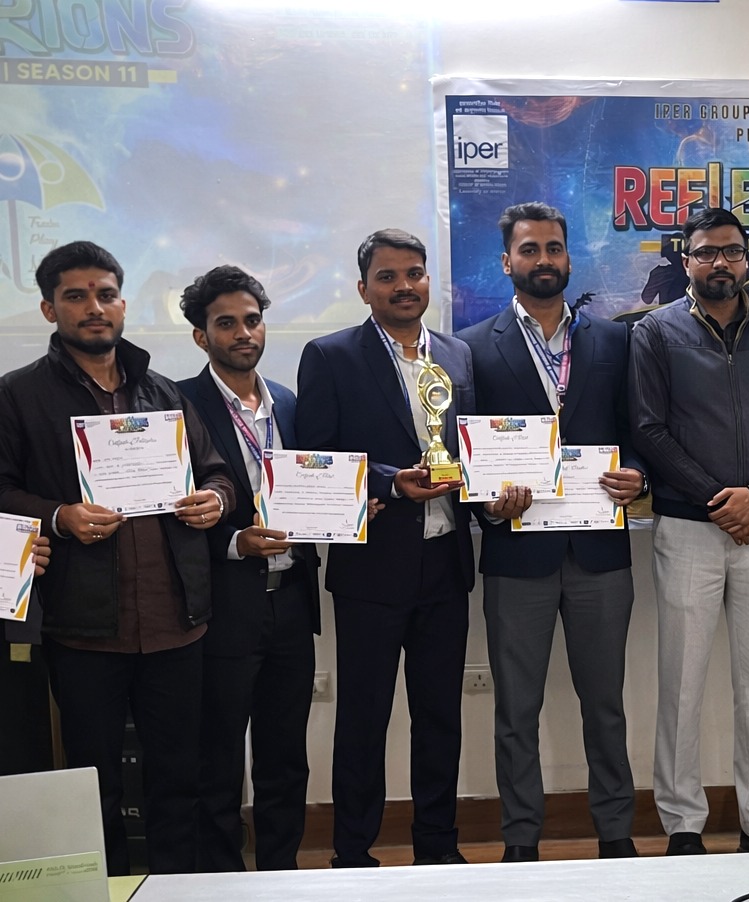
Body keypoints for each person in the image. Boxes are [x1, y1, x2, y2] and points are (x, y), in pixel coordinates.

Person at [0, 241, 235, 875]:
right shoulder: (18, 395)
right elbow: (0, 488)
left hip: (177, 623)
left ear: (123, 304)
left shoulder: (165, 392)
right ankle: (105, 889)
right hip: (84, 629)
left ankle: (175, 888)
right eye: (76, 296)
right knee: (93, 782)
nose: (94, 308)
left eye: (105, 294)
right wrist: (60, 514)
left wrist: (214, 500)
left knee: (178, 779)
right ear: (49, 309)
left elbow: (217, 472)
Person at [457, 202, 645, 862]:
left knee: (606, 705)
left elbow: (637, 432)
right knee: (516, 711)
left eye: (554, 248)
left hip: (600, 551)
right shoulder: (471, 347)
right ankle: (520, 841)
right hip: (517, 553)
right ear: (506, 261)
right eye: (530, 249)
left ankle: (616, 834)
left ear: (568, 257)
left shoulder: (614, 341)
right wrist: (488, 504)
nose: (544, 260)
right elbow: (468, 450)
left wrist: (638, 475)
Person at [628, 207, 749, 855]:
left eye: (731, 251)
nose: (720, 263)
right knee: (681, 681)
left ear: (746, 257)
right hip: (687, 528)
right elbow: (648, 428)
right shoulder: (655, 331)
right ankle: (682, 823)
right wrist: (717, 498)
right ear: (687, 261)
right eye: (706, 252)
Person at [295, 229, 476, 867]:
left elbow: (471, 448)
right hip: (372, 569)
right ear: (364, 287)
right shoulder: (331, 355)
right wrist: (391, 484)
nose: (404, 286)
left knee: (440, 717)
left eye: (415, 273)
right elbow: (315, 455)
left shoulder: (456, 354)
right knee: (364, 719)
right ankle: (352, 854)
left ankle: (438, 849)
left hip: (447, 564)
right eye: (388, 276)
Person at [176, 265, 321, 871]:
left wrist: (341, 510)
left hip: (291, 599)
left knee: (285, 756)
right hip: (224, 603)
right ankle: (222, 878)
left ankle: (280, 872)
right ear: (201, 335)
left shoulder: (288, 401)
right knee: (218, 757)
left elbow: (313, 486)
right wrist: (235, 543)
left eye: (253, 320)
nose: (243, 333)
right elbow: (171, 514)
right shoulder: (178, 404)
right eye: (226, 323)